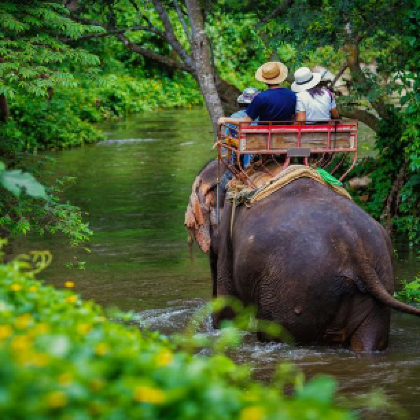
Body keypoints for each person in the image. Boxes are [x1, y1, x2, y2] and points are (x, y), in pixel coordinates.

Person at [217, 62, 296, 126]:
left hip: (265, 136)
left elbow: (246, 123)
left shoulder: (261, 98)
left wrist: (225, 119)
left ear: (264, 80)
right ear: (280, 78)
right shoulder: (291, 95)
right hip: (286, 134)